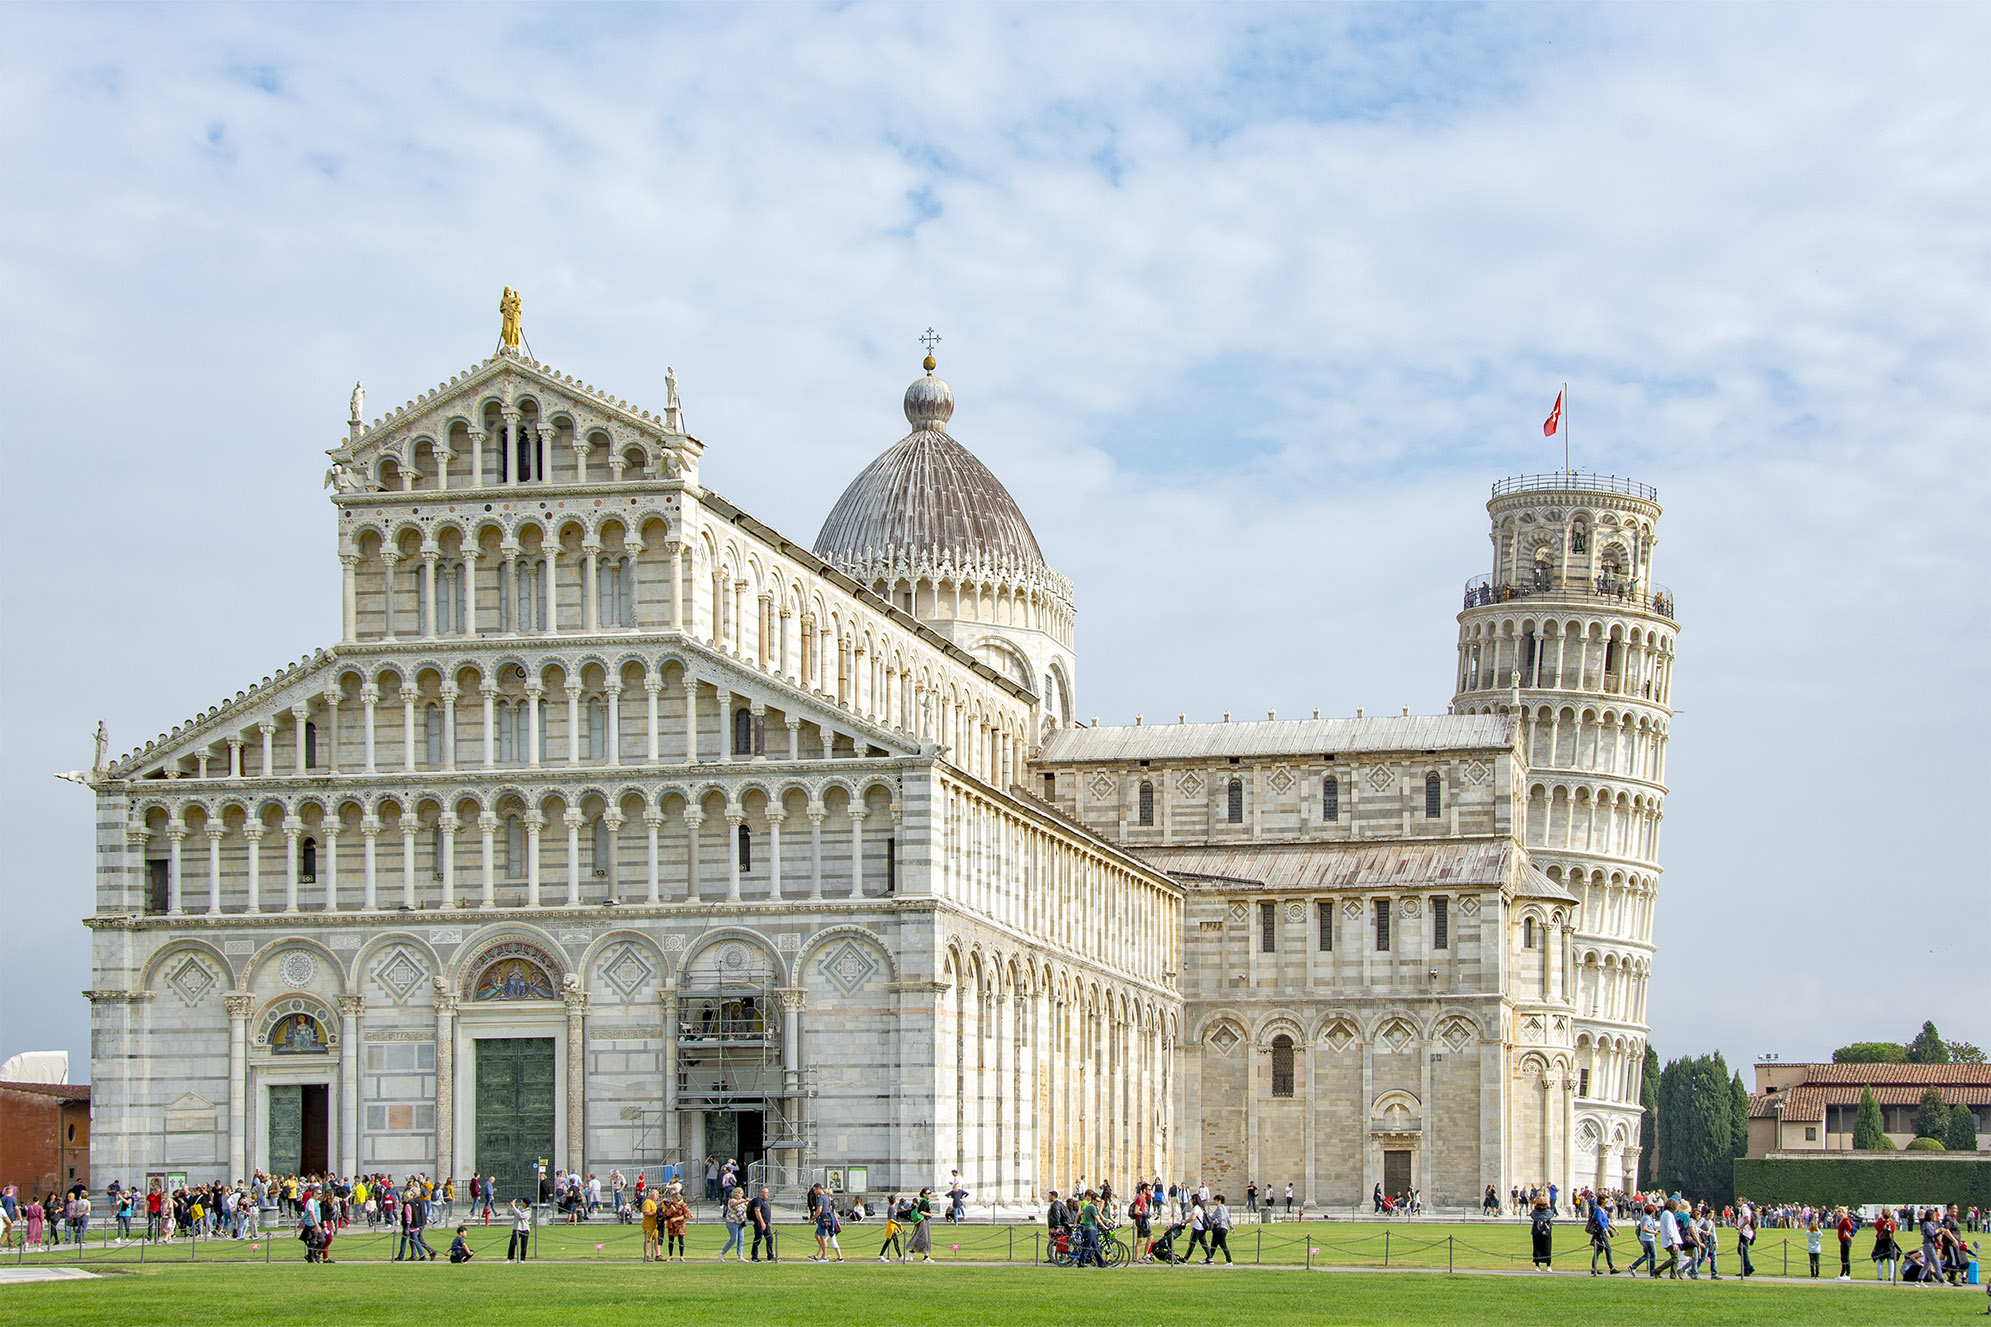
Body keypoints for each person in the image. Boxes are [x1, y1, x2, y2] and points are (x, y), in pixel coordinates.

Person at [1586, 1191, 1618, 1274]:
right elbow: (1599, 1221)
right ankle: (1611, 1267)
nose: (1607, 1203)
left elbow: (1607, 1222)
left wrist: (1615, 1229)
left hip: (1604, 1232)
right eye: (1606, 1201)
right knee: (1607, 1249)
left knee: (1599, 1251)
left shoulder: (1603, 1210)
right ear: (1602, 1202)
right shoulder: (1598, 1210)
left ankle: (1594, 1268)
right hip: (1600, 1233)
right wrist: (1606, 1231)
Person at [1871, 1207, 1901, 1283]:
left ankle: (1880, 1276)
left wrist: (1881, 1220)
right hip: (1889, 1242)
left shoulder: (1879, 1223)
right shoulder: (1892, 1223)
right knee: (1890, 1260)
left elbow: (1876, 1227)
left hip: (1881, 1242)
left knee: (1880, 1260)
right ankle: (1890, 1277)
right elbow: (1893, 1230)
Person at [720, 1187, 749, 1261]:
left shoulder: (743, 1201)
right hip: (732, 1222)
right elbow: (735, 1204)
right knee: (733, 1239)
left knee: (741, 1239)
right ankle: (722, 1252)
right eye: (738, 1193)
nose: (739, 1195)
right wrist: (744, 1201)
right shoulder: (731, 1200)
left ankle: (740, 1256)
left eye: (741, 1193)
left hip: (740, 1222)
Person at [663, 1185, 690, 1261]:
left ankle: (681, 1256)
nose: (672, 1200)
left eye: (673, 1199)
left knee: (680, 1240)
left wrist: (676, 1218)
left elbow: (687, 1215)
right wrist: (670, 1211)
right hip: (672, 1226)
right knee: (670, 1240)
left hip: (680, 1225)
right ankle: (670, 1255)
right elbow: (665, 1215)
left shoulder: (683, 1205)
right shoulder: (670, 1205)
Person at [1205, 1194, 1234, 1264]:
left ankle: (1229, 1260)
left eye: (1215, 1200)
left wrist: (1215, 1221)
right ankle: (1209, 1259)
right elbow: (1228, 1218)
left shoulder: (1220, 1208)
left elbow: (1221, 1218)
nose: (1214, 1202)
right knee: (1214, 1245)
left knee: (1223, 1245)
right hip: (1223, 1228)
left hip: (1220, 1229)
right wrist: (1231, 1227)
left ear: (1219, 1201)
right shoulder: (1225, 1209)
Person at [907, 1187, 933, 1262]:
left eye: (930, 1193)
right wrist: (929, 1214)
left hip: (925, 1221)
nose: (929, 1195)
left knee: (927, 1239)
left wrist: (929, 1212)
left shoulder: (926, 1202)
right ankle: (912, 1251)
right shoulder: (923, 1201)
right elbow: (920, 1211)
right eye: (928, 1193)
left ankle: (926, 1256)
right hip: (922, 1221)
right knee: (923, 1239)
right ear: (924, 1194)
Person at [750, 1186, 776, 1262]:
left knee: (770, 1238)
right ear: (761, 1193)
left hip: (766, 1224)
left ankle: (770, 1256)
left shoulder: (764, 1201)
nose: (767, 1194)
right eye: (766, 1193)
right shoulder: (758, 1200)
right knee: (758, 1239)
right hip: (760, 1223)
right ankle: (754, 1256)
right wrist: (762, 1222)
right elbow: (757, 1211)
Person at [1531, 1195, 1555, 1271]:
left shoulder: (1535, 1212)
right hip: (1546, 1231)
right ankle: (1548, 1265)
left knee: (1537, 1247)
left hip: (1536, 1232)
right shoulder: (1548, 1212)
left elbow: (1532, 1215)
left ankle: (1537, 1265)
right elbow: (1551, 1214)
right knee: (1547, 1248)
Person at [878, 1196, 905, 1262]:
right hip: (891, 1227)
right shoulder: (891, 1208)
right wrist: (898, 1223)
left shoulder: (893, 1208)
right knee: (891, 1241)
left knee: (893, 1241)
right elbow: (890, 1219)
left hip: (893, 1227)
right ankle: (899, 1256)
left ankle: (899, 1256)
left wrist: (897, 1227)